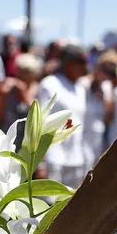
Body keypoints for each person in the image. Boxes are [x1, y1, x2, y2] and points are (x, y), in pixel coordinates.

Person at [38, 44, 88, 188]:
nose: (86, 67)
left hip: (76, 159)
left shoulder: (80, 88)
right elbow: (40, 122)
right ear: (69, 64)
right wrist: (41, 163)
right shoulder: (50, 84)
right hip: (54, 158)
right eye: (82, 62)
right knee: (49, 205)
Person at [0, 52, 42, 147]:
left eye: (26, 72)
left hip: (28, 142)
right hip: (8, 137)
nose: (21, 75)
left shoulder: (38, 89)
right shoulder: (10, 88)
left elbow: (37, 115)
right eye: (19, 70)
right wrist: (3, 95)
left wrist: (24, 94)